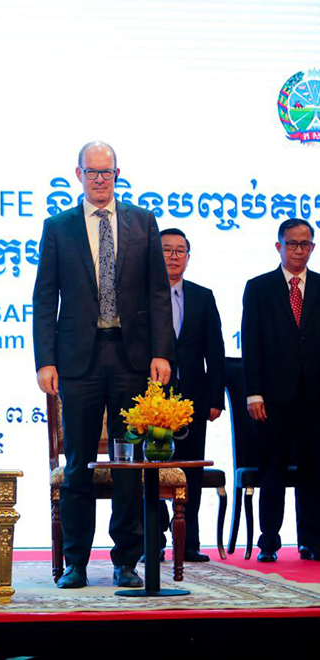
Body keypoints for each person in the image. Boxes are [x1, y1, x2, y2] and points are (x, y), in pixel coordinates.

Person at [32, 141, 174, 589]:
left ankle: (126, 561)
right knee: (77, 465)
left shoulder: (142, 222)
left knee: (128, 462)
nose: (99, 179)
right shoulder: (59, 227)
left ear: (118, 173)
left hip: (132, 357)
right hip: (78, 361)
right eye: (91, 172)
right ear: (78, 174)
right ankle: (76, 561)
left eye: (106, 172)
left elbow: (157, 292)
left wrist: (161, 351)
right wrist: (45, 360)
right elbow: (44, 297)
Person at [242, 217, 320, 563]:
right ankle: (269, 541)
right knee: (272, 470)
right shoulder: (259, 287)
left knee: (314, 471)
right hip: (273, 397)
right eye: (292, 243)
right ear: (279, 246)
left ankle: (312, 540)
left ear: (313, 248)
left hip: (315, 397)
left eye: (305, 244)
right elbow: (251, 344)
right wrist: (254, 393)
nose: (299, 250)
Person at [152, 228, 225, 563]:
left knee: (191, 471)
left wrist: (215, 399)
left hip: (193, 399)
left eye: (180, 250)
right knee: (152, 471)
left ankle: (190, 542)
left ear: (188, 257)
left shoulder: (203, 296)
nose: (173, 256)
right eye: (167, 249)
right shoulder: (144, 295)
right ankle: (152, 541)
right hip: (152, 400)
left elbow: (216, 350)